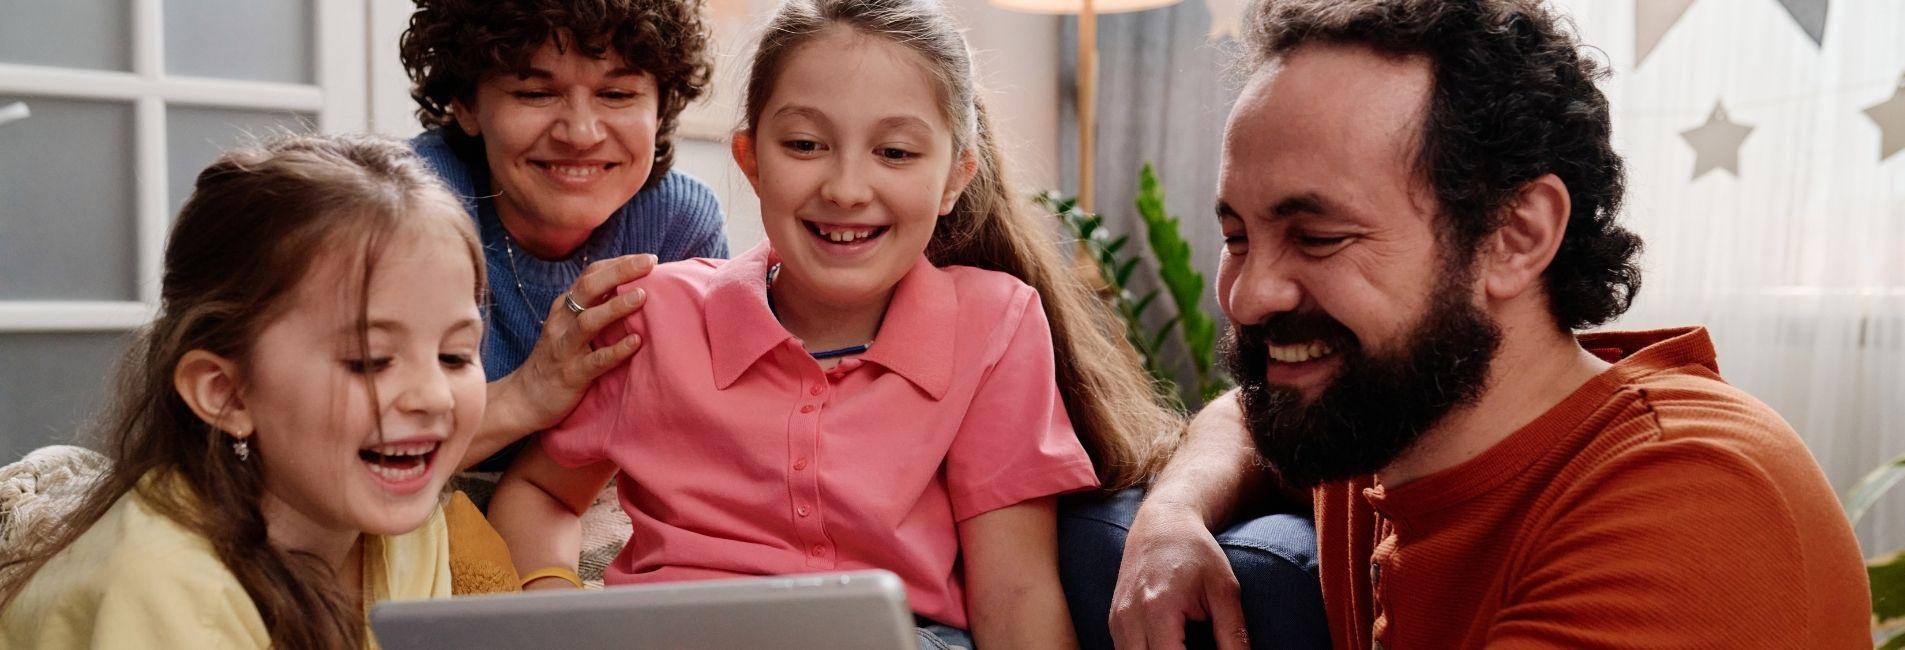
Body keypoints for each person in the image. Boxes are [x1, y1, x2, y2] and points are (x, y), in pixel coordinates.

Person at [1108, 0, 1874, 648]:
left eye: (1317, 238)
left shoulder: (1697, 504)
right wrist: (1170, 517)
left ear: (1515, 236)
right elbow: (1247, 412)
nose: (1246, 295)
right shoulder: (1391, 408)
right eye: (1237, 236)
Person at [487, 0, 1180, 646]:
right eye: (805, 145)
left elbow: (1017, 588)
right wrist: (551, 602)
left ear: (954, 178)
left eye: (896, 153)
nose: (846, 189)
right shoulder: (655, 315)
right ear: (751, 160)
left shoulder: (994, 321)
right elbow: (541, 490)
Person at [0, 134, 490, 649]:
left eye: (455, 355)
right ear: (227, 393)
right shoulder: (164, 586)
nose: (434, 396)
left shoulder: (407, 519)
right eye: (369, 362)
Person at [400, 0, 730, 471]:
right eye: (535, 93)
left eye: (617, 94)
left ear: (660, 108)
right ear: (466, 104)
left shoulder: (678, 226)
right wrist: (528, 394)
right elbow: (344, 454)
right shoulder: (405, 214)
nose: (580, 133)